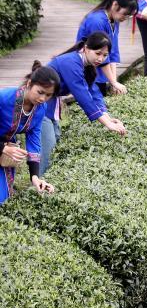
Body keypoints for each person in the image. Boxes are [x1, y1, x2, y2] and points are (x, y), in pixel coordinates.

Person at [40, 32, 128, 174]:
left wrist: (107, 117)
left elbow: (93, 93)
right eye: (98, 53)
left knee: (54, 140)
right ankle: (39, 183)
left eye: (105, 55)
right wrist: (108, 124)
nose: (100, 59)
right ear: (86, 48)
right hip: (40, 102)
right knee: (48, 146)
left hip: (49, 102)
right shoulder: (71, 63)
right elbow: (83, 97)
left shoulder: (86, 64)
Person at [0, 66, 60, 204]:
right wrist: (4, 148)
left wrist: (35, 176)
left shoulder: (40, 108)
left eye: (48, 95)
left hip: (5, 149)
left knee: (2, 200)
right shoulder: (4, 99)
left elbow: (34, 139)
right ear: (29, 84)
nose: (43, 98)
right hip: (3, 148)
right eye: (40, 92)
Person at [75, 0, 137, 99]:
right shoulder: (97, 21)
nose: (126, 18)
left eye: (129, 16)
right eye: (125, 14)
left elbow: (112, 52)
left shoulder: (114, 20)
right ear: (115, 5)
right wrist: (113, 82)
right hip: (86, 69)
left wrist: (114, 81)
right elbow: (100, 54)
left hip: (98, 70)